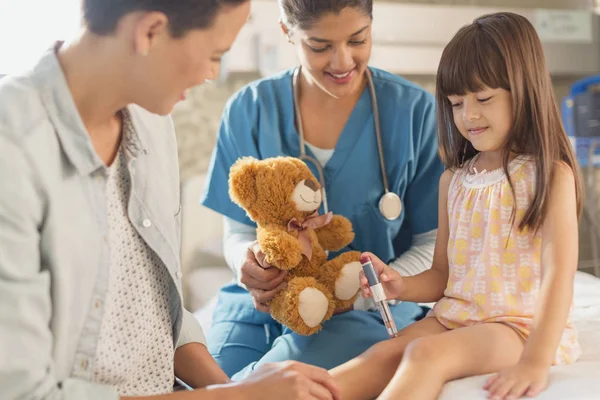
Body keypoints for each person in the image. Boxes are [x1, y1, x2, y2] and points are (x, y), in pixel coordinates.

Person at [0, 1, 342, 399]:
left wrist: (233, 388)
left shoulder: (150, 120)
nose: (212, 75)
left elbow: (160, 310)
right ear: (150, 32)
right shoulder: (15, 149)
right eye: (214, 56)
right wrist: (239, 396)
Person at [329, 11, 584, 400]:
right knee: (381, 355)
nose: (469, 115)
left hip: (518, 328)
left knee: (424, 354)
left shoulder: (550, 175)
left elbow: (557, 278)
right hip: (455, 318)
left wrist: (535, 360)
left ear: (524, 90)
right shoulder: (455, 181)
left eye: (483, 99)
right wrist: (400, 286)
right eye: (456, 103)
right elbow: (443, 275)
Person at [201, 0, 444, 379]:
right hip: (259, 307)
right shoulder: (249, 110)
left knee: (267, 384)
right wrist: (248, 264)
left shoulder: (415, 113)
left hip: (368, 311)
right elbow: (238, 232)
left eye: (357, 40)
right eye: (320, 46)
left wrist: (363, 294)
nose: (343, 61)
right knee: (205, 383)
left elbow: (434, 245)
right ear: (287, 32)